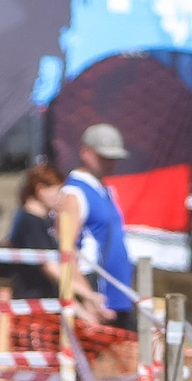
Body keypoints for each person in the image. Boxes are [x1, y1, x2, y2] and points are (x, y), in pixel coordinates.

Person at [55, 124, 136, 327]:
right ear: (86, 153)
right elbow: (66, 250)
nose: (110, 164)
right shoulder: (74, 194)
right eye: (104, 157)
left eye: (113, 158)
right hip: (96, 293)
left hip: (118, 294)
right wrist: (87, 296)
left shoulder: (106, 190)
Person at [5, 164, 68, 302]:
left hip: (49, 301)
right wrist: (85, 297)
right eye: (58, 191)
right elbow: (49, 267)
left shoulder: (45, 221)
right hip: (33, 304)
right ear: (40, 190)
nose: (61, 197)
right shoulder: (29, 222)